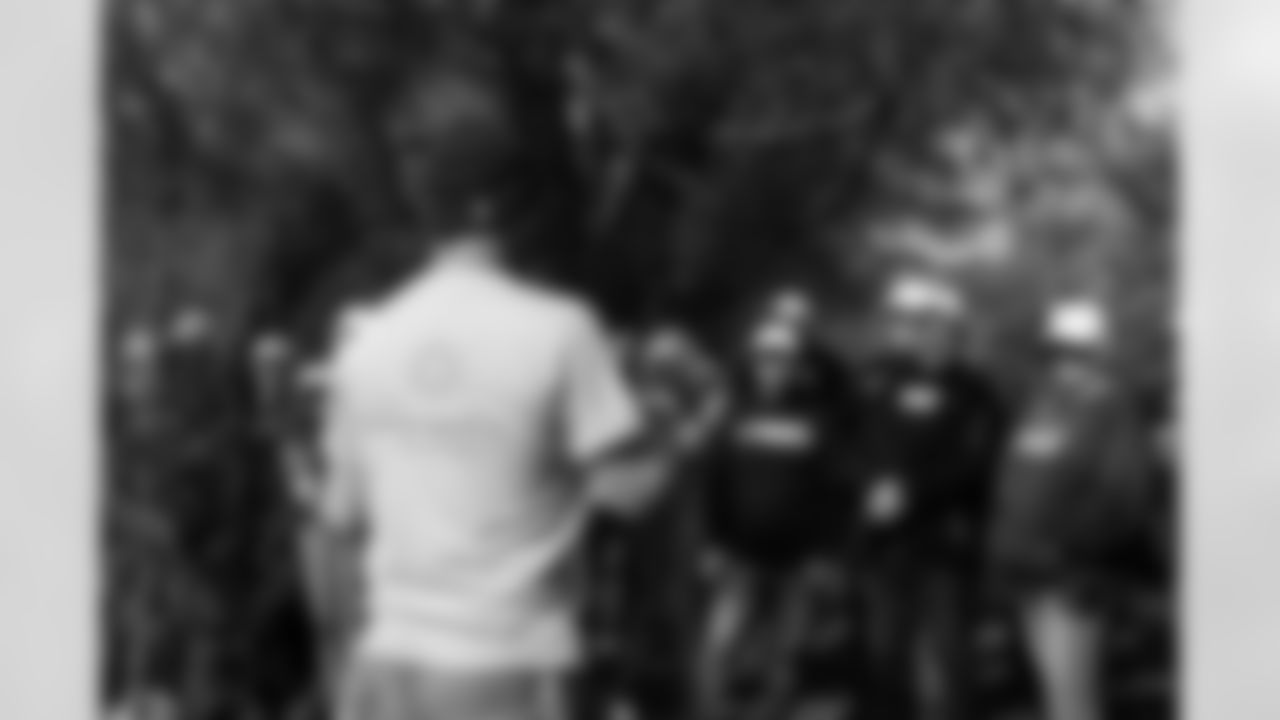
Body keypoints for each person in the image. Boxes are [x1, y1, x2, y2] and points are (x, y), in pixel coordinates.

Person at [312, 66, 671, 720]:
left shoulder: (367, 342)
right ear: (501, 206)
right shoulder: (562, 331)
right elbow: (632, 489)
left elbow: (339, 523)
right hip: (507, 662)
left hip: (386, 666)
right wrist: (668, 438)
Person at [845, 274, 1008, 720]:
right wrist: (868, 484)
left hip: (946, 548)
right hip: (884, 545)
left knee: (950, 658)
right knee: (883, 656)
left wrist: (911, 492)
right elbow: (850, 445)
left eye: (947, 328)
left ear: (960, 334)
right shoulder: (880, 383)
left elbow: (977, 463)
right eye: (927, 325)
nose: (935, 335)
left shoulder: (978, 394)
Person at [989, 300, 1155, 720]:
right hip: (1025, 570)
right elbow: (1013, 476)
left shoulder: (1112, 406)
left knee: (1073, 700)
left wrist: (1069, 548)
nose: (1066, 360)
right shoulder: (1042, 401)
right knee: (1053, 693)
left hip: (1072, 578)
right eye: (1059, 350)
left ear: (1098, 352)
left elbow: (1125, 495)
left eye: (1078, 351)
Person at [696, 288, 851, 720]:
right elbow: (714, 485)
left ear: (797, 365)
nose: (773, 368)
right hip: (740, 552)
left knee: (788, 650)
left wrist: (827, 552)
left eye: (783, 360)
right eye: (765, 359)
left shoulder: (819, 418)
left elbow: (832, 491)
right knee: (720, 643)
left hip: (797, 557)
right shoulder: (732, 414)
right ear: (753, 362)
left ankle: (773, 710)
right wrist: (711, 543)